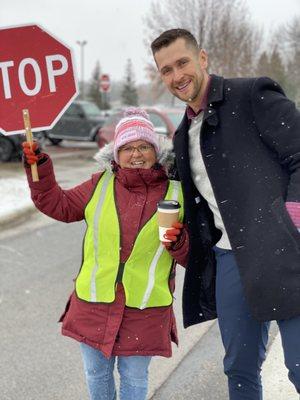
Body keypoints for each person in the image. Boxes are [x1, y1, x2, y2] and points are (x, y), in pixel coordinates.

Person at [150, 28, 300, 399]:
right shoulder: (182, 135)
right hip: (229, 259)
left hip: (283, 252)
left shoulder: (251, 95)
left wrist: (292, 221)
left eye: (182, 62)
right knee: (239, 368)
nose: (176, 76)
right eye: (166, 70)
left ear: (202, 58)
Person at [22, 107, 189, 400]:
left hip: (145, 309)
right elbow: (56, 204)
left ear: (155, 150)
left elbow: (194, 256)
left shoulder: (176, 193)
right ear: (116, 153)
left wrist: (179, 243)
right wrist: (39, 169)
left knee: (135, 379)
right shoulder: (99, 185)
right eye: (127, 147)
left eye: (143, 146)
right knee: (96, 375)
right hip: (93, 303)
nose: (136, 154)